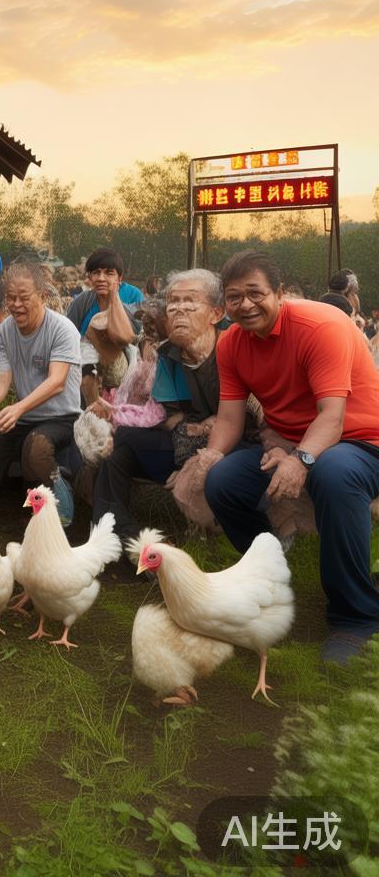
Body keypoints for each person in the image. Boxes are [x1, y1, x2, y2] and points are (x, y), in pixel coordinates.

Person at [203, 250, 379, 663]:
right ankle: (268, 580)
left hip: (361, 440)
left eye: (255, 293)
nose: (245, 305)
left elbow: (332, 420)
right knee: (222, 481)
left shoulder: (320, 327)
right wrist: (206, 459)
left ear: (279, 292)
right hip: (291, 443)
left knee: (332, 474)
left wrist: (299, 460)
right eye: (234, 297)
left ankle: (355, 614)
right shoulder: (231, 343)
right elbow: (228, 419)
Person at [93, 269, 226, 540]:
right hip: (184, 442)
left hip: (227, 448)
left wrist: (195, 451)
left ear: (216, 313)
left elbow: (242, 419)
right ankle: (124, 537)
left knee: (126, 438)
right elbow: (170, 417)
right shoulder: (168, 354)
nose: (178, 310)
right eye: (173, 303)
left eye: (189, 303)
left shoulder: (233, 348)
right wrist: (190, 447)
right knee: (117, 454)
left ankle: (118, 537)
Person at [0, 261, 81, 509]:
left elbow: (57, 382)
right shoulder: (6, 330)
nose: (16, 305)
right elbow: (2, 380)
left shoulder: (62, 329)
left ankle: (62, 490)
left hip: (61, 418)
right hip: (23, 418)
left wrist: (19, 408)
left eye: (24, 298)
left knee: (36, 449)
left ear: (42, 296)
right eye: (11, 298)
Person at [66, 247, 139, 403]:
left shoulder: (130, 303)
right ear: (90, 277)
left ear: (120, 278)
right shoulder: (82, 302)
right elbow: (67, 337)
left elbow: (126, 339)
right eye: (96, 272)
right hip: (85, 375)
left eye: (109, 273)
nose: (101, 278)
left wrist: (114, 296)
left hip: (122, 375)